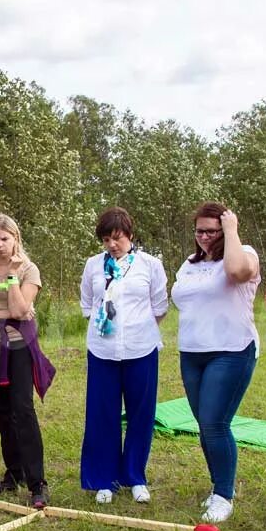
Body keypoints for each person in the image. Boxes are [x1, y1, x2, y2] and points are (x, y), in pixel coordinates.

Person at [171, 204, 261, 523]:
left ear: (225, 230)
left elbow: (238, 273)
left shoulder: (243, 253)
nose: (205, 237)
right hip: (192, 353)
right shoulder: (189, 264)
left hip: (232, 350)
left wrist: (233, 230)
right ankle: (217, 486)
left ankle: (224, 494)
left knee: (214, 422)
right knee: (204, 425)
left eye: (212, 231)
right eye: (199, 231)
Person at [79, 207, 169, 506]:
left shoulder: (150, 265)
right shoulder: (93, 265)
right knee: (101, 414)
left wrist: (135, 329)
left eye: (116, 238)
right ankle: (104, 479)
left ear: (130, 234)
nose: (111, 245)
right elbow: (88, 305)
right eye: (106, 239)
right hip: (102, 350)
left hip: (140, 349)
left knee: (140, 414)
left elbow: (159, 307)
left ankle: (135, 476)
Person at [0, 214, 55, 509]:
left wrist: (12, 278)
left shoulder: (29, 269)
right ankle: (13, 472)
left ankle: (37, 482)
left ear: (16, 238)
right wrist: (3, 316)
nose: (0, 244)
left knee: (22, 410)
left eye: (5, 239)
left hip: (18, 347)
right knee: (2, 411)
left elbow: (21, 309)